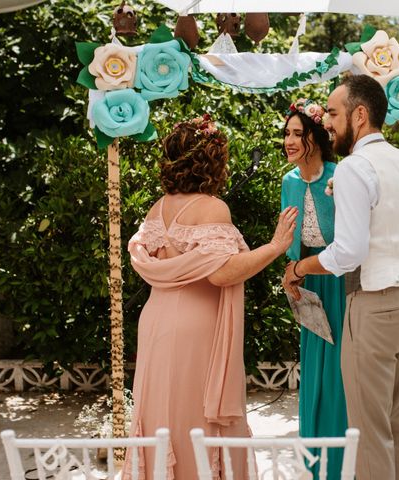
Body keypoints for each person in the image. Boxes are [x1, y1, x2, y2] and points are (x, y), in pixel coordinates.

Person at [282, 75, 399, 480]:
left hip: (372, 307)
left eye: (335, 114)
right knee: (395, 420)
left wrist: (301, 267)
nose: (330, 124)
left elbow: (348, 252)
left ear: (360, 114)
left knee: (368, 430)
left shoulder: (357, 167)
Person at [123, 114, 298, 480]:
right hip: (195, 329)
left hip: (155, 322)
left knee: (162, 416)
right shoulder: (212, 207)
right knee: (195, 418)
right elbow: (221, 272)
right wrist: (276, 246)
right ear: (212, 161)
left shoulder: (158, 207)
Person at [280, 99, 348, 478]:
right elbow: (289, 242)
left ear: (316, 139)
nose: (289, 141)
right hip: (308, 285)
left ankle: (342, 461)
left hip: (342, 281)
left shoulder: (339, 176)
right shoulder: (287, 182)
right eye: (286, 134)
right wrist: (291, 275)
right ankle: (314, 462)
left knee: (340, 371)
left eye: (297, 134)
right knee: (315, 370)